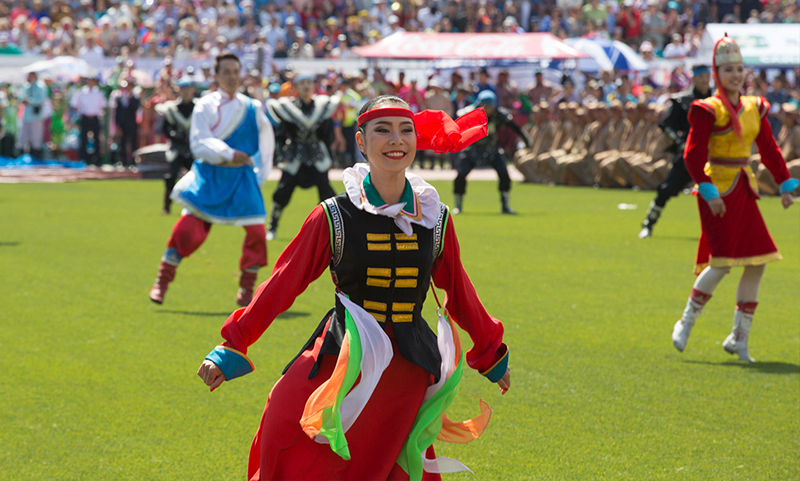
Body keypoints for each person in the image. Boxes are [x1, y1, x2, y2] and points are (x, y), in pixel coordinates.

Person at [196, 94, 511, 481]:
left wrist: (491, 351)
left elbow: (460, 292)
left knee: (385, 465)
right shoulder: (334, 215)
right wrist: (233, 344)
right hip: (342, 359)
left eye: (405, 130)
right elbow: (282, 283)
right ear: (361, 141)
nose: (396, 140)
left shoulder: (435, 217)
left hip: (407, 367)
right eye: (383, 130)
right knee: (283, 420)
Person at [671, 36, 798, 362]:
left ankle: (739, 338)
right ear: (717, 73)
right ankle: (686, 321)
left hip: (743, 187)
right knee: (722, 262)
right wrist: (708, 190)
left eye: (740, 69)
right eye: (728, 70)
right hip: (717, 189)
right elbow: (692, 156)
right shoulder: (708, 109)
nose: (736, 75)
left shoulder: (754, 107)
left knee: (758, 260)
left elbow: (768, 148)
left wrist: (784, 184)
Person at [149, 53, 275, 307]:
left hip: (241, 178)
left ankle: (247, 289)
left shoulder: (252, 107)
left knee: (257, 233)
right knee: (188, 231)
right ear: (216, 76)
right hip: (210, 176)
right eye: (226, 72)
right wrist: (228, 153)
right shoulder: (205, 105)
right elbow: (199, 143)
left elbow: (266, 144)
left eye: (235, 71)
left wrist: (259, 176)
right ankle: (162, 280)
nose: (232, 77)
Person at [639, 64, 712, 238]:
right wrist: (681, 143)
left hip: (713, 155)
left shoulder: (716, 100)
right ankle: (648, 223)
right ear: (694, 78)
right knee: (667, 189)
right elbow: (666, 124)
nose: (704, 80)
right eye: (700, 77)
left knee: (722, 193)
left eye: (706, 77)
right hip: (689, 154)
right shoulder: (683, 100)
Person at [264, 74, 339, 240]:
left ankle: (331, 228)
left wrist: (332, 158)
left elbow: (327, 135)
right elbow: (281, 135)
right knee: (282, 192)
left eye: (308, 83)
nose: (306, 86)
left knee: (327, 193)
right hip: (294, 157)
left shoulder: (323, 107)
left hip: (317, 156)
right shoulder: (287, 108)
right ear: (296, 87)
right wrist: (281, 155)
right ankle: (272, 226)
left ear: (313, 86)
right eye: (302, 83)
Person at [453, 90, 530, 215]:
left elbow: (514, 126)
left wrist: (526, 140)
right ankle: (458, 205)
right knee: (461, 174)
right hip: (472, 149)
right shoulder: (468, 113)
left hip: (491, 148)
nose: (488, 109)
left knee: (504, 174)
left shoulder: (499, 114)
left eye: (490, 106)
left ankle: (505, 205)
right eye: (485, 106)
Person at [155, 77, 196, 215]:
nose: (186, 92)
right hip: (176, 148)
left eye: (188, 89)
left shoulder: (198, 108)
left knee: (196, 177)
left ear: (192, 90)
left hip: (193, 148)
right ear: (179, 90)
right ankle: (166, 207)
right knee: (171, 176)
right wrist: (176, 138)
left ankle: (196, 206)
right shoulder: (172, 109)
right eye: (183, 89)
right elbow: (165, 129)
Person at [70, 76, 107, 166]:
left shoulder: (99, 92)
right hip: (85, 117)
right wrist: (79, 113)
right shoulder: (81, 92)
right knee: (83, 139)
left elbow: (104, 105)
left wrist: (98, 113)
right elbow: (74, 104)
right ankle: (83, 159)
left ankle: (97, 160)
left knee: (97, 139)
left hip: (95, 117)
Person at [18, 71, 48, 159]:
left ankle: (36, 156)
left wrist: (30, 101)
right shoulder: (26, 86)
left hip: (36, 116)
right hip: (26, 115)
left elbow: (42, 99)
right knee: (23, 136)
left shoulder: (40, 86)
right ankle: (22, 155)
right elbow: (21, 96)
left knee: (36, 137)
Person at [113, 79, 141, 167]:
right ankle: (122, 160)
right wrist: (117, 124)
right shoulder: (119, 98)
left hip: (132, 123)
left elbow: (135, 108)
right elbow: (117, 112)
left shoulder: (135, 98)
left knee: (133, 142)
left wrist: (129, 100)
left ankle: (133, 160)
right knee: (122, 142)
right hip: (122, 124)